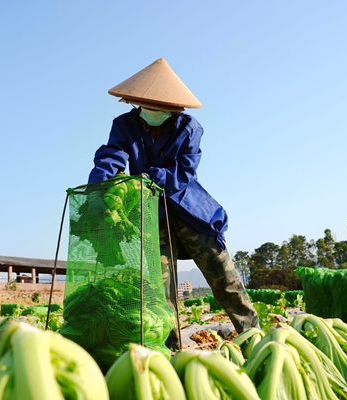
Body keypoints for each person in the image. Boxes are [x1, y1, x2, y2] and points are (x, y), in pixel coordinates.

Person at [88, 58, 260, 346]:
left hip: (189, 208)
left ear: (172, 108)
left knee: (222, 272)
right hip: (151, 213)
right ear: (137, 103)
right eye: (147, 108)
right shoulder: (125, 125)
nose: (152, 114)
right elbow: (112, 155)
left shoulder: (188, 128)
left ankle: (252, 333)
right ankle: (169, 348)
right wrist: (100, 182)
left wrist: (149, 176)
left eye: (159, 109)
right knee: (158, 286)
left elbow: (184, 170)